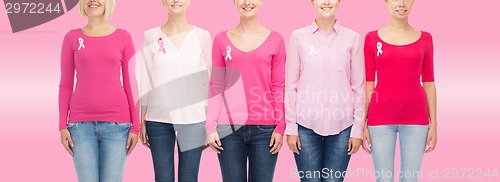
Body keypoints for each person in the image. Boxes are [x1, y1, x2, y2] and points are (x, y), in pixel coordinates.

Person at [205, 0, 286, 181]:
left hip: (265, 130)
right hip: (228, 129)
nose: (247, 2)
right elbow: (216, 85)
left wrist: (280, 126)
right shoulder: (221, 39)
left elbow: (278, 85)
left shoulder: (276, 40)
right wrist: (210, 126)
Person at [58, 0, 139, 181]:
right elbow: (65, 85)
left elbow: (130, 83)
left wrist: (136, 126)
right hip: (80, 127)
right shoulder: (71, 38)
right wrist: (62, 125)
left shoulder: (124, 36)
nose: (93, 0)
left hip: (118, 126)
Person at [285, 0, 365, 181]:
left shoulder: (353, 38)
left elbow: (358, 87)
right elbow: (291, 85)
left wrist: (357, 129)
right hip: (305, 127)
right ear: (312, 2)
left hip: (343, 128)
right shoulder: (298, 37)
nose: (327, 2)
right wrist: (291, 127)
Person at [362, 0, 438, 181]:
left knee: (410, 178)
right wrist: (362, 123)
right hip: (379, 118)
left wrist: (433, 124)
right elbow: (369, 84)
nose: (401, 3)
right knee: (383, 178)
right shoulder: (372, 38)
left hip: (416, 118)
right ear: (386, 2)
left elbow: (429, 82)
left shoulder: (425, 38)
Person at [139, 0, 212, 181]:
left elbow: (208, 81)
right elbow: (145, 80)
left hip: (194, 120)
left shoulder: (202, 36)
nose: (176, 1)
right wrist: (142, 120)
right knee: (163, 178)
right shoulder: (151, 35)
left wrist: (209, 125)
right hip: (158, 120)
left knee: (189, 177)